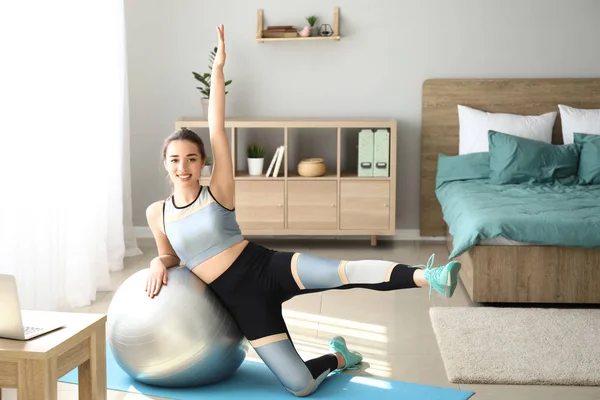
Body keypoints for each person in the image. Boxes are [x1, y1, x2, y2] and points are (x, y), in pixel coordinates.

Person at [144, 24, 461, 397]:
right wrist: (156, 263)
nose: (184, 167)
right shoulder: (158, 213)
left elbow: (217, 128)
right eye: (176, 159)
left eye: (192, 159)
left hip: (265, 267)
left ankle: (430, 276)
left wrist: (218, 70)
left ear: (202, 163)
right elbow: (170, 256)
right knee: (300, 386)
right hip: (240, 301)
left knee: (346, 272)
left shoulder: (218, 191)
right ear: (165, 163)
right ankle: (339, 358)